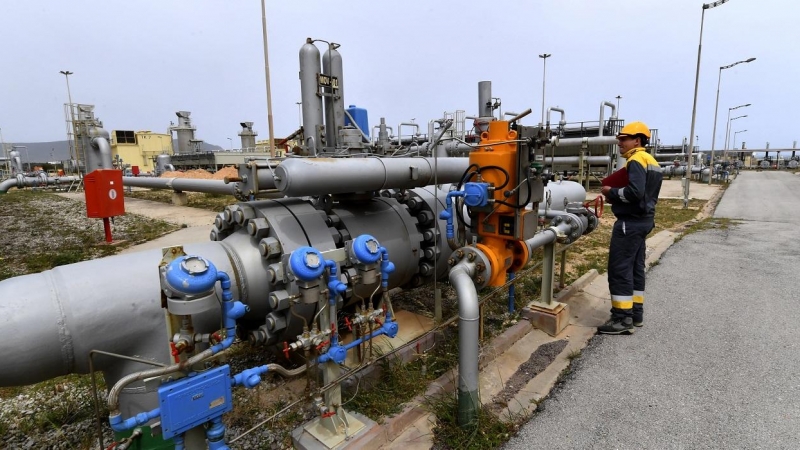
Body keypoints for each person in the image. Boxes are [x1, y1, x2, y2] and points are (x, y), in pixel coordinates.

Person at [598, 121, 662, 334]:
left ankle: (622, 319)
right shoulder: (651, 161)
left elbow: (635, 193)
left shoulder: (636, 160)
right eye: (619, 139)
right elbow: (644, 195)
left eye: (624, 139)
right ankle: (635, 314)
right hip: (643, 221)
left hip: (630, 223)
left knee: (620, 269)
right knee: (635, 268)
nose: (619, 143)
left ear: (638, 140)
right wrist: (618, 198)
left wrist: (611, 192)